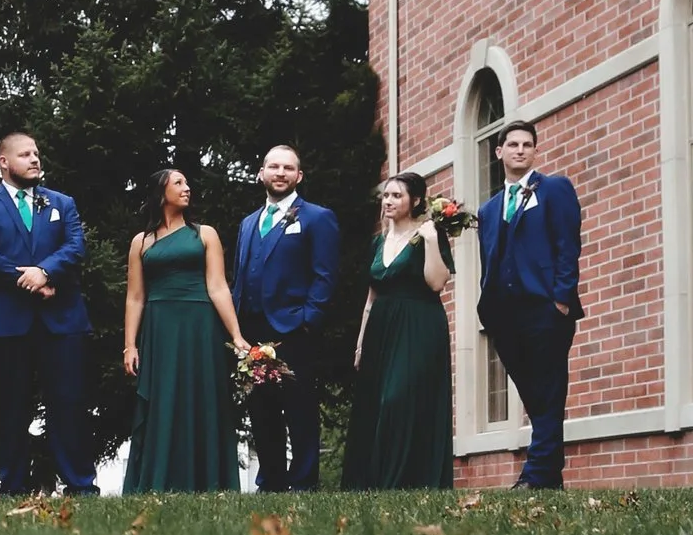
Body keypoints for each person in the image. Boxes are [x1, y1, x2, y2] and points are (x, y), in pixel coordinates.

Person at [0, 130, 92, 496]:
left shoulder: (61, 203)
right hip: (4, 323)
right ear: (3, 162)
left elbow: (75, 247)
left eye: (36, 153)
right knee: (10, 410)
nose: (35, 159)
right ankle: (14, 486)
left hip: (61, 320)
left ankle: (80, 485)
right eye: (25, 155)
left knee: (68, 404)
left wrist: (45, 271)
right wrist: (27, 278)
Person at [123, 167, 244, 490]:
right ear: (161, 192)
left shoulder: (205, 234)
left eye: (187, 182)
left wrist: (236, 335)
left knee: (202, 396)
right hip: (160, 326)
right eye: (179, 183)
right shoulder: (141, 242)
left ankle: (208, 480)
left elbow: (218, 287)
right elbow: (135, 296)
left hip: (200, 326)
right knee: (163, 398)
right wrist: (130, 345)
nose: (187, 188)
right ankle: (160, 479)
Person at [477, 121, 583, 489]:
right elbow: (488, 260)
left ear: (535, 151)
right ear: (499, 152)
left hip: (546, 309)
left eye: (527, 144)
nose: (520, 150)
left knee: (549, 391)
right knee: (535, 396)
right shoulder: (488, 210)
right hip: (504, 317)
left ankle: (536, 476)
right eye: (513, 144)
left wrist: (562, 300)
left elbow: (568, 246)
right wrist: (486, 311)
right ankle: (548, 475)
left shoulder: (554, 188)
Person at [229, 144, 341, 492]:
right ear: (261, 173)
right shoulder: (248, 223)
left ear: (299, 176)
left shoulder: (317, 217)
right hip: (251, 329)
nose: (280, 173)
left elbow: (325, 274)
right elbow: (240, 273)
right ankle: (271, 482)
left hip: (294, 328)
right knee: (261, 410)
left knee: (299, 408)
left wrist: (310, 319)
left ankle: (304, 481)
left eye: (288, 168)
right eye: (274, 167)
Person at [341, 171, 454, 490]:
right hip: (380, 328)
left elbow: (436, 282)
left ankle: (404, 480)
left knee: (399, 399)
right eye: (386, 196)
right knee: (377, 403)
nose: (388, 201)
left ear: (415, 200)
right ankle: (374, 482)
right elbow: (371, 296)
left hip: (419, 324)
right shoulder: (378, 241)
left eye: (396, 196)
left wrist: (432, 241)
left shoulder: (428, 234)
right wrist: (361, 343)